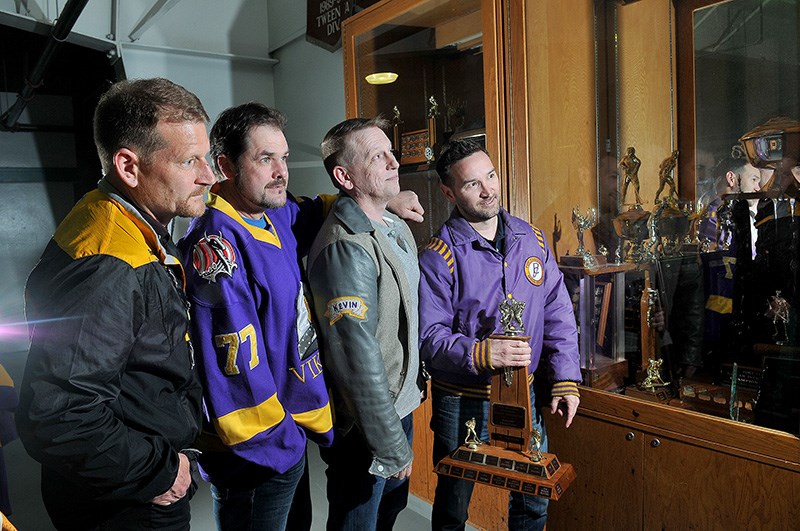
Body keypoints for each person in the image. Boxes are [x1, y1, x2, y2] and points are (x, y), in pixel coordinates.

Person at [16, 78, 214, 530]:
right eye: (190, 161)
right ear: (129, 166)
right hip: (129, 500)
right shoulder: (109, 266)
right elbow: (59, 415)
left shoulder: (116, 216)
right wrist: (162, 472)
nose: (208, 175)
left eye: (206, 156)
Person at [177, 103, 335, 531]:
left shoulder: (272, 212)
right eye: (265, 159)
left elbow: (318, 208)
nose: (281, 171)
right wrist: (279, 442)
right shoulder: (217, 247)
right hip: (255, 448)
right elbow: (231, 363)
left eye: (283, 158)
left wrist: (388, 194)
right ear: (225, 165)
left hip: (287, 434)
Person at [418, 139, 581, 531]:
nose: (489, 189)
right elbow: (429, 337)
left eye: (490, 176)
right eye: (473, 184)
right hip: (463, 399)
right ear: (449, 192)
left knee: (533, 501)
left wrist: (565, 379)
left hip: (526, 392)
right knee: (454, 505)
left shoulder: (534, 241)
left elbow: (557, 311)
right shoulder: (439, 255)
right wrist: (480, 353)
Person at [307, 117, 423, 530]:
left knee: (387, 515)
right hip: (367, 423)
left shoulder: (391, 224)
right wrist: (389, 444)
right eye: (378, 156)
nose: (394, 162)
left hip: (398, 405)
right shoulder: (347, 248)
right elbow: (356, 358)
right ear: (345, 176)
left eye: (390, 151)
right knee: (358, 521)